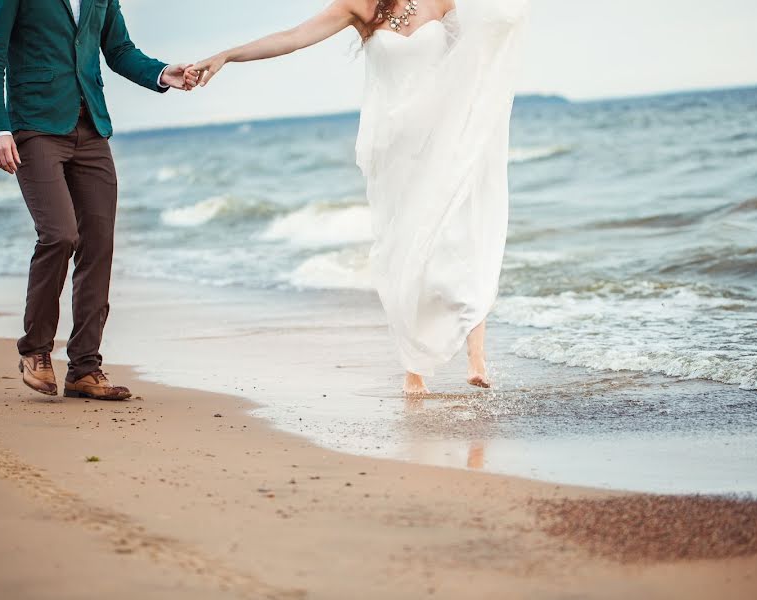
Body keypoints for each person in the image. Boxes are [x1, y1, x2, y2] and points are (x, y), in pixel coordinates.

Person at [193, 0, 527, 395]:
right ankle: (413, 368)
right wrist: (228, 56)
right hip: (396, 149)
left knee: (463, 237)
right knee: (403, 251)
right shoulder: (359, 7)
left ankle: (476, 358)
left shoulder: (440, 1)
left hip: (444, 139)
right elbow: (294, 37)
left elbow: (474, 52)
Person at [0, 0, 198, 400]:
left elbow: (119, 50)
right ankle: (36, 350)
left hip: (91, 126)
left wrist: (163, 73)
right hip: (35, 125)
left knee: (99, 244)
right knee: (59, 235)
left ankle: (84, 368)